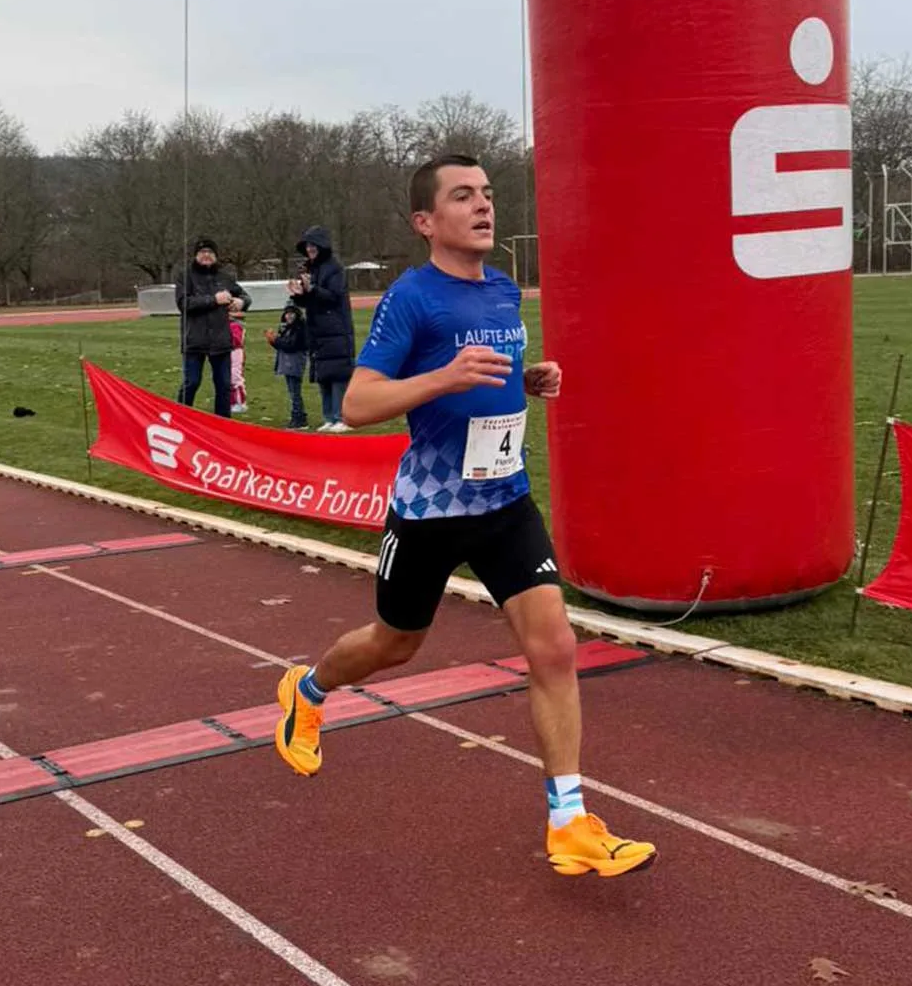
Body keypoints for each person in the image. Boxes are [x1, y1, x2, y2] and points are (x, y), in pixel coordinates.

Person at [273, 154, 657, 880]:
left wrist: (529, 376)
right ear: (426, 221)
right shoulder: (411, 298)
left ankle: (568, 821)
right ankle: (308, 688)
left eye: (486, 194)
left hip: (504, 498)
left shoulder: (505, 288)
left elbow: (491, 371)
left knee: (552, 646)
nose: (483, 206)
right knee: (394, 643)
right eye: (462, 196)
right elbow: (356, 405)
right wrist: (443, 378)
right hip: (430, 508)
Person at [288, 226, 356, 431]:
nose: (310, 249)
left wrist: (312, 289)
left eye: (313, 245)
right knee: (323, 374)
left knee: (338, 374)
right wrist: (298, 294)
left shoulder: (335, 268)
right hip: (317, 329)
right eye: (307, 245)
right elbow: (309, 301)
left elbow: (333, 296)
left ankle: (341, 417)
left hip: (335, 327)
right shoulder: (308, 268)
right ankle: (329, 416)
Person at [174, 238, 251, 417]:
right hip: (195, 339)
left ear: (215, 256)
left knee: (224, 384)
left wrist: (242, 302)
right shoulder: (185, 276)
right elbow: (183, 303)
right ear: (196, 255)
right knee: (191, 383)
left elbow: (245, 296)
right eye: (203, 252)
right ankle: (180, 418)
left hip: (221, 340)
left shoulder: (225, 277)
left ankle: (222, 423)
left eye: (210, 252)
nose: (206, 255)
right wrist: (213, 300)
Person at [264, 303, 310, 429]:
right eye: (287, 313)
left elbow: (291, 346)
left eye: (292, 313)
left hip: (294, 363)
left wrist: (276, 340)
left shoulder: (300, 328)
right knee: (292, 392)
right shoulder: (286, 328)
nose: (289, 316)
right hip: (287, 363)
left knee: (295, 392)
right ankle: (298, 415)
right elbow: (282, 346)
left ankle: (299, 418)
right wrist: (273, 342)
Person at [229, 302, 249, 415]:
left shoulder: (236, 326)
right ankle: (232, 401)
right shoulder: (231, 325)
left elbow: (236, 341)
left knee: (235, 378)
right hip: (230, 352)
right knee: (229, 378)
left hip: (235, 352)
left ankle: (240, 402)